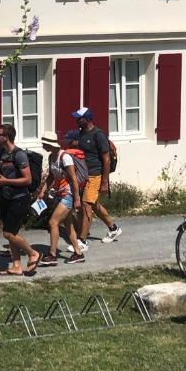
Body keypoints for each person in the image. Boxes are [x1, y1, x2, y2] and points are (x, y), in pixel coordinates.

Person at [0, 123, 41, 276]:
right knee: (11, 233)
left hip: (19, 198)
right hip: (6, 198)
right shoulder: (3, 154)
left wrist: (7, 182)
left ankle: (33, 253)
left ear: (6, 137)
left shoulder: (19, 154)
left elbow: (27, 180)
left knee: (8, 234)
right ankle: (16, 266)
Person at [70, 107, 123, 251]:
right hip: (84, 175)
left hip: (95, 175)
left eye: (78, 118)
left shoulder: (98, 135)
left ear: (86, 119)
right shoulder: (81, 134)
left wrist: (104, 182)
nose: (76, 120)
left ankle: (82, 241)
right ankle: (113, 228)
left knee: (86, 204)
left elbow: (106, 159)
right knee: (93, 204)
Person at [35, 131, 86, 266]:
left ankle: (52, 255)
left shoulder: (65, 157)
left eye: (44, 143)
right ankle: (78, 253)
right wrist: (43, 191)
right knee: (68, 225)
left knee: (53, 222)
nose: (43, 146)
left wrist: (77, 198)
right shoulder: (52, 157)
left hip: (68, 194)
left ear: (50, 144)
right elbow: (51, 177)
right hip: (60, 193)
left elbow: (74, 179)